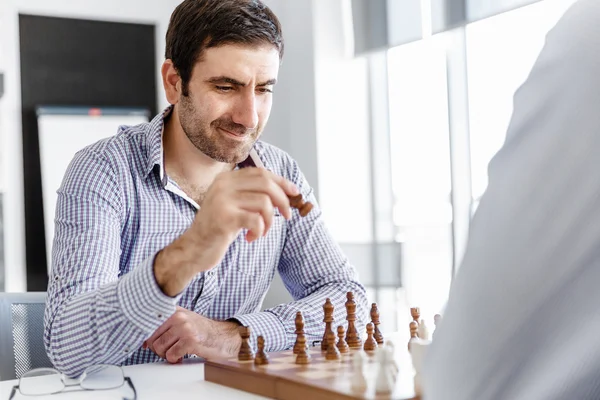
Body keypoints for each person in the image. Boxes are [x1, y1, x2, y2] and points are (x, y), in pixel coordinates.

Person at [43, 0, 368, 378]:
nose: (249, 117)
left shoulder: (280, 173)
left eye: (263, 89)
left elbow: (351, 302)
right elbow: (68, 349)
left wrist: (233, 335)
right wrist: (187, 253)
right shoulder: (103, 172)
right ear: (173, 81)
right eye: (226, 86)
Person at [422, 0, 600, 399]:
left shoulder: (590, 39)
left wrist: (252, 328)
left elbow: (465, 379)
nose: (249, 112)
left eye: (265, 88)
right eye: (243, 85)